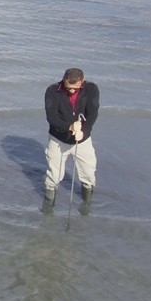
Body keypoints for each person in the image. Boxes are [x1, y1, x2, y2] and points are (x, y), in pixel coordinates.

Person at [43, 68, 99, 209]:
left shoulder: (91, 89)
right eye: (68, 88)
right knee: (53, 177)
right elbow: (51, 117)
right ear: (63, 80)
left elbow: (92, 114)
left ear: (82, 81)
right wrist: (69, 127)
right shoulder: (52, 91)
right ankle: (48, 208)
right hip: (58, 139)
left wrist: (84, 132)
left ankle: (86, 207)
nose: (72, 91)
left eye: (76, 88)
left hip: (82, 140)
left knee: (88, 174)